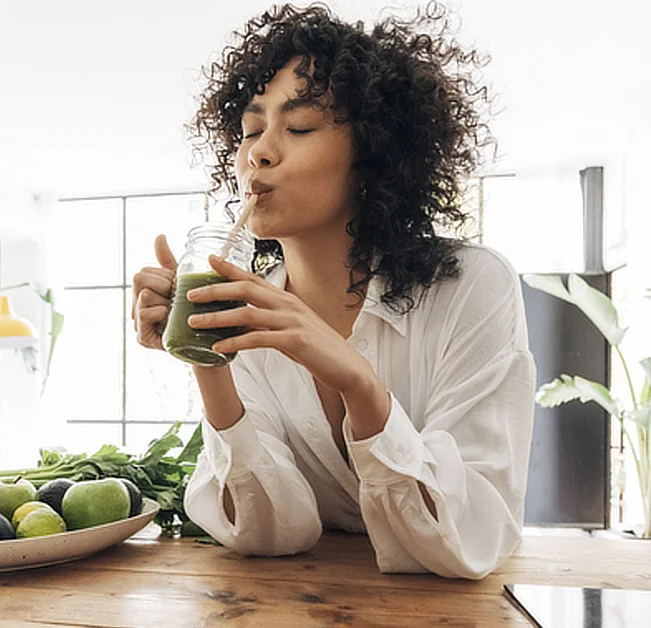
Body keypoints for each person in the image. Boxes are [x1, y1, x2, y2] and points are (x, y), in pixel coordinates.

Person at [131, 3, 535, 579]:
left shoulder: (471, 287)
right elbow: (268, 533)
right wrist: (206, 354)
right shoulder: (245, 305)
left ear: (372, 153)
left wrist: (358, 382)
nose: (259, 152)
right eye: (251, 129)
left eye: (298, 127)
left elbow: (472, 537)